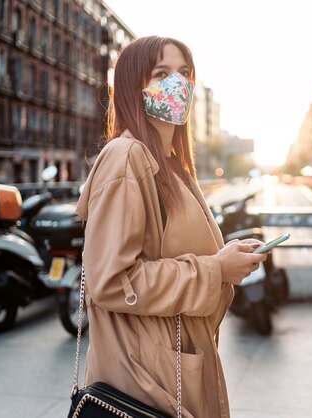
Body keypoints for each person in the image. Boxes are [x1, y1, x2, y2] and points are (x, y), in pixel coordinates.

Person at [75, 36, 268, 418]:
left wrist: (227, 259)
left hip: (175, 362)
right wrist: (215, 270)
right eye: (161, 73)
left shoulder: (172, 163)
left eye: (185, 73)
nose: (177, 83)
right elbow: (111, 281)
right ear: (133, 87)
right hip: (145, 377)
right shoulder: (126, 157)